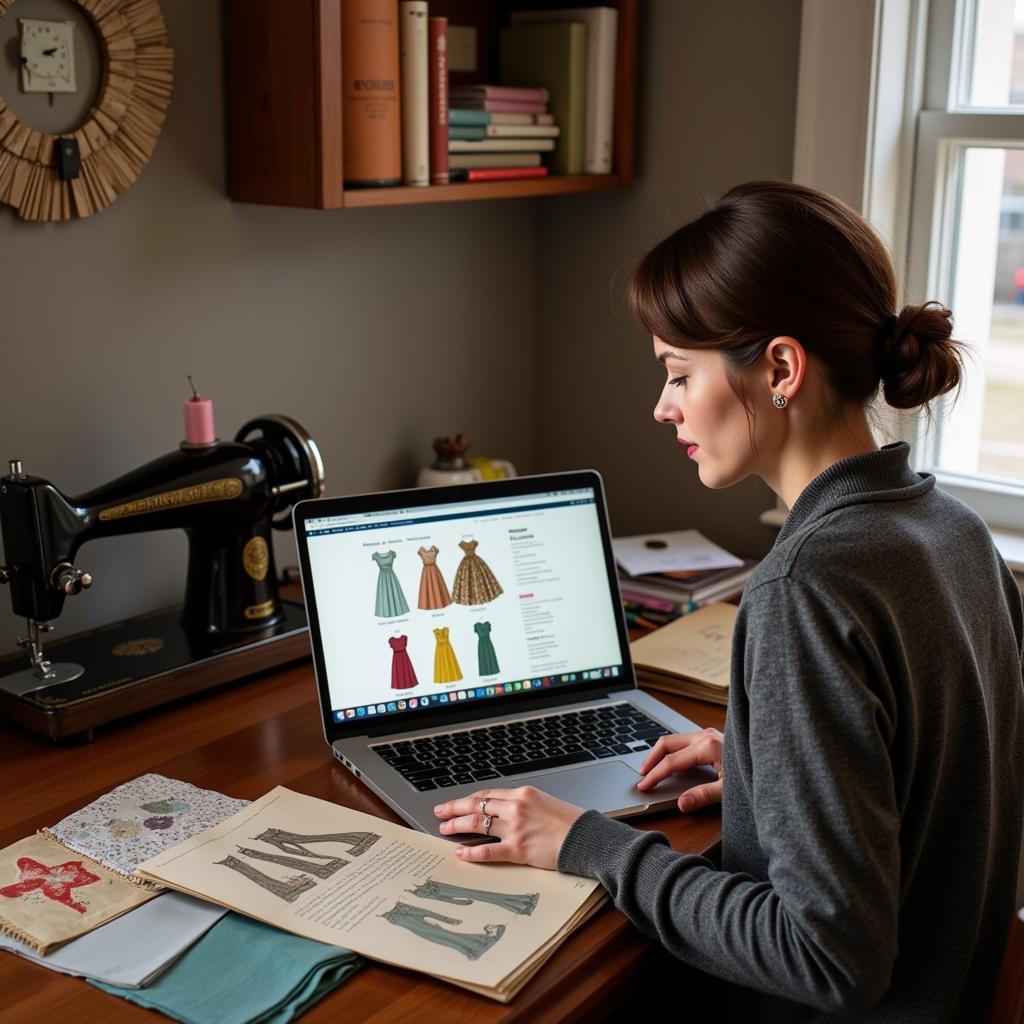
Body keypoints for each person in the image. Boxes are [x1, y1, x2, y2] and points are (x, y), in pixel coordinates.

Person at [433, 180, 1024, 1021]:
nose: (662, 405)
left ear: (781, 368)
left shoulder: (805, 588)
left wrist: (591, 844)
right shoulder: (955, 533)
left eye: (678, 372)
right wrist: (761, 767)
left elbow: (828, 958)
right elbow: (938, 790)